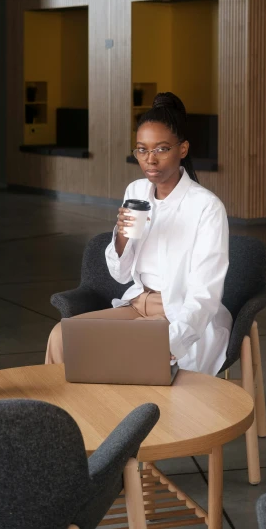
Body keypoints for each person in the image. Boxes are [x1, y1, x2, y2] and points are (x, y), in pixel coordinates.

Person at [45, 92, 231, 376]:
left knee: (116, 352)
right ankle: (59, 417)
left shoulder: (206, 207)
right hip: (137, 304)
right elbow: (120, 275)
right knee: (62, 336)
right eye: (142, 150)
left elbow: (205, 295)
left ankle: (115, 416)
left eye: (161, 149)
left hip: (177, 313)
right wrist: (121, 236)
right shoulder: (136, 192)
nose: (150, 160)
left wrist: (172, 340)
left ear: (182, 149)